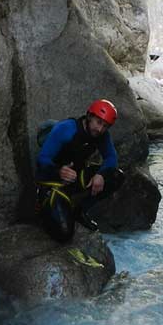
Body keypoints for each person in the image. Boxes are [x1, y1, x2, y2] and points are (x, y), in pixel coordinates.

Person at [36, 99, 125, 243]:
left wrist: (100, 175)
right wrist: (59, 171)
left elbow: (111, 158)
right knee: (64, 234)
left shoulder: (102, 135)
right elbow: (42, 159)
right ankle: (50, 209)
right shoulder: (66, 129)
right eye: (98, 122)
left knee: (115, 175)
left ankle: (80, 210)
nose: (100, 129)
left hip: (77, 178)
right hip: (53, 183)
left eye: (105, 126)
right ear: (89, 116)